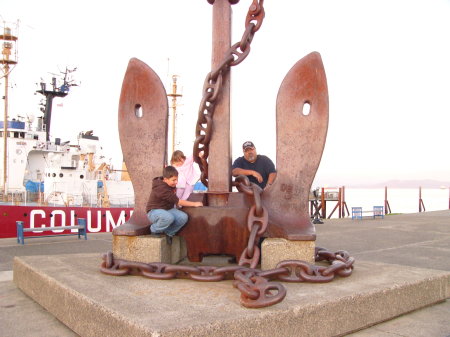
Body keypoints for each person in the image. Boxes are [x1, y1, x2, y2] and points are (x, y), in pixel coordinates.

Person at [146, 165, 203, 244]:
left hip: (167, 209)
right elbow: (178, 201)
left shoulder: (170, 185)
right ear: (165, 179)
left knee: (183, 217)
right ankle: (154, 229)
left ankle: (169, 233)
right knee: (168, 218)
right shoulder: (161, 188)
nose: (176, 182)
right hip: (154, 211)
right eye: (174, 180)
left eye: (177, 179)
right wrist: (194, 204)